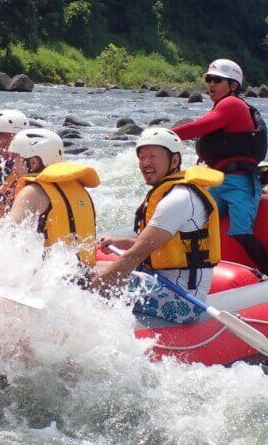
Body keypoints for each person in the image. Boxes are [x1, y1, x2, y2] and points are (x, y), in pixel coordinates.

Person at [92, 128, 224, 324]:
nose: (146, 163)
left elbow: (137, 255)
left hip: (183, 301)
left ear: (175, 161)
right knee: (86, 270)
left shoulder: (179, 199)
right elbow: (152, 244)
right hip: (160, 281)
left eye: (153, 156)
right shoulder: (169, 194)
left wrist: (96, 284)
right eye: (142, 157)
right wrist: (118, 242)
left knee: (86, 281)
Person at [171, 59, 268, 277]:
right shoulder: (221, 107)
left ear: (233, 86)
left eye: (217, 80)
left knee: (241, 233)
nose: (211, 84)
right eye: (209, 79)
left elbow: (199, 127)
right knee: (192, 221)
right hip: (217, 182)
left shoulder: (232, 104)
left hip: (239, 183)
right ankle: (183, 268)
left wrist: (165, 135)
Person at [6, 128, 99, 267]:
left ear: (33, 163)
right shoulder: (78, 188)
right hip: (83, 273)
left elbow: (8, 235)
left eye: (16, 160)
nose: (13, 166)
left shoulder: (31, 191)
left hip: (52, 279)